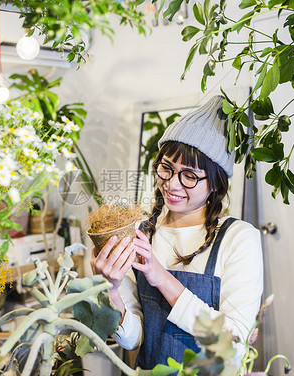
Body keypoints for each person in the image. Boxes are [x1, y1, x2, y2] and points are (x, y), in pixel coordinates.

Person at [90, 95, 264, 370]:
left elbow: (234, 347)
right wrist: (110, 290)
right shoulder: (140, 233)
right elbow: (133, 340)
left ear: (216, 184)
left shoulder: (238, 238)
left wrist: (162, 279)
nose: (172, 184)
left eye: (190, 175)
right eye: (166, 169)